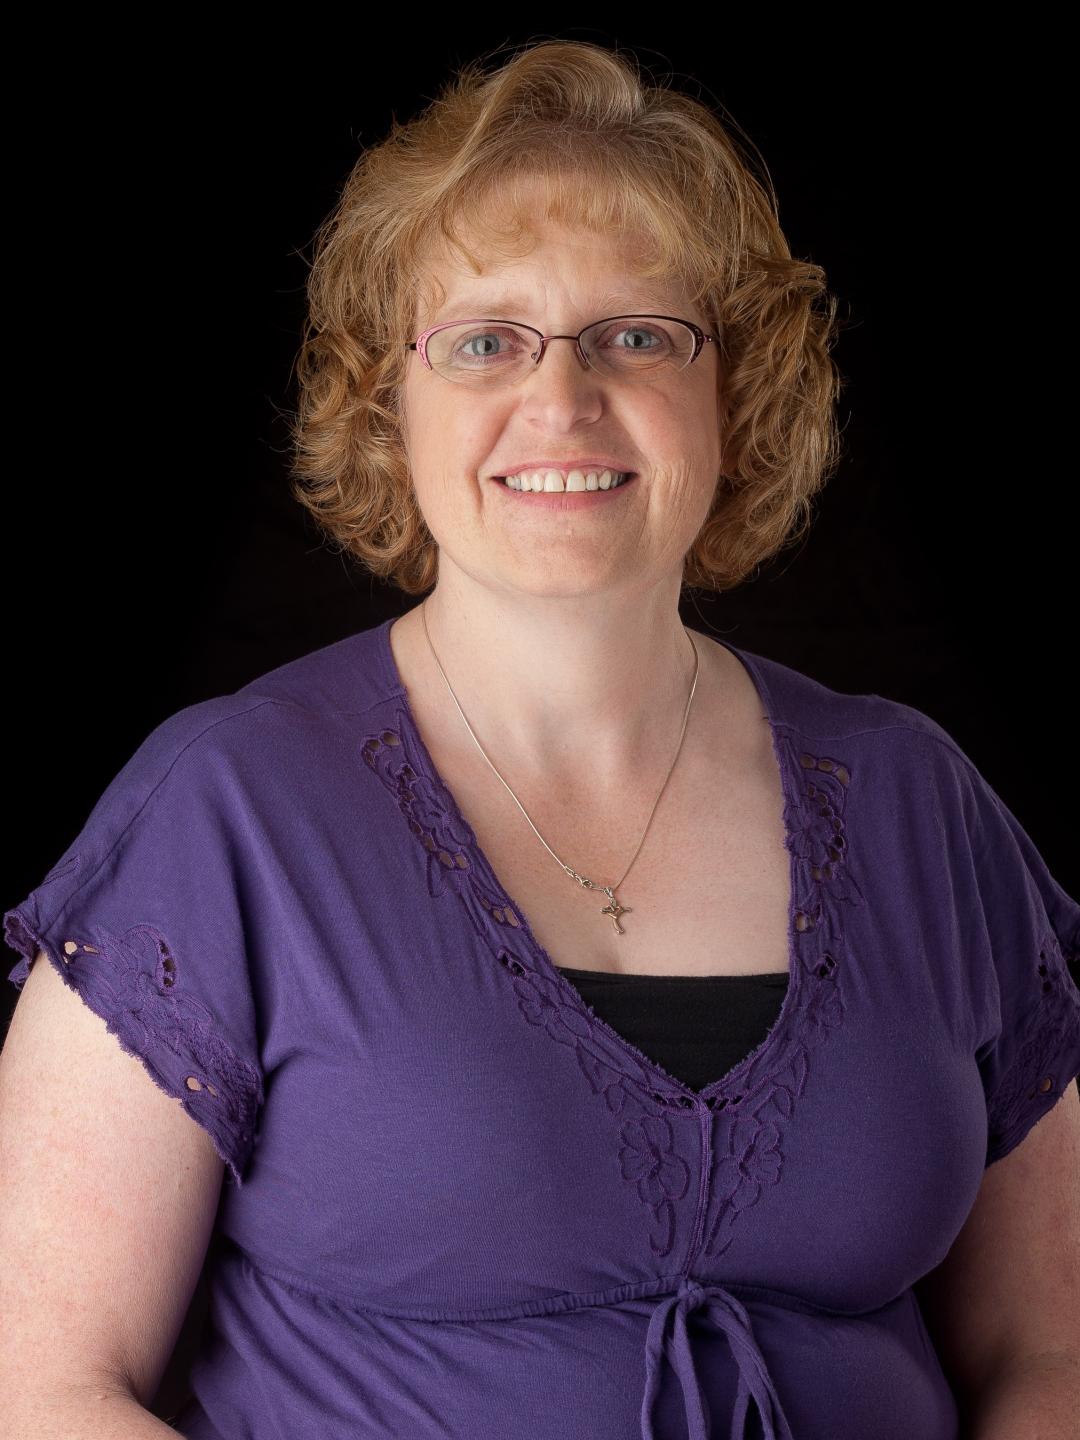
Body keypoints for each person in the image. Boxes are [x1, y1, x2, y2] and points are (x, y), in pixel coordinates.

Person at [2, 38, 1078, 1440]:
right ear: (387, 398)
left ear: (733, 393)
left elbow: (1052, 1358)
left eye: (638, 334)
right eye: (485, 340)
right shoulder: (228, 814)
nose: (560, 402)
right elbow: (41, 1382)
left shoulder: (921, 807)